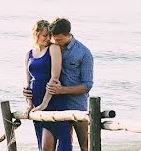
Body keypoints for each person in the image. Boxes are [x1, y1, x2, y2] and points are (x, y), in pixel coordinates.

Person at [23, 17, 94, 151]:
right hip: (56, 100)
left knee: (85, 145)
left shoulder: (83, 53)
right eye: (54, 39)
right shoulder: (51, 47)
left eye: (59, 40)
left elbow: (87, 85)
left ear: (68, 35)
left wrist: (62, 90)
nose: (55, 42)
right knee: (63, 143)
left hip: (75, 103)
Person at [23, 19, 72, 151]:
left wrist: (44, 104)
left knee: (47, 146)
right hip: (36, 102)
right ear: (36, 34)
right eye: (45, 35)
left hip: (52, 101)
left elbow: (54, 77)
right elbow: (27, 82)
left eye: (50, 35)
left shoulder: (53, 48)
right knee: (42, 144)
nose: (48, 38)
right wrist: (29, 104)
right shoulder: (29, 54)